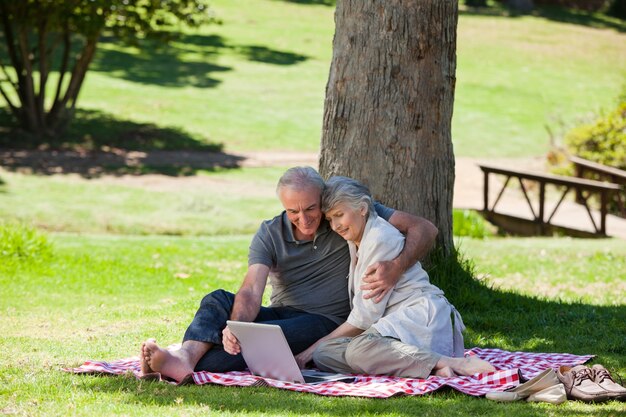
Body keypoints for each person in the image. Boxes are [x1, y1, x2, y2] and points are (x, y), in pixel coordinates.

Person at [140, 166, 438, 382]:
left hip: (325, 322)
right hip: (282, 312)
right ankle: (184, 358)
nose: (304, 219)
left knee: (236, 354)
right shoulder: (270, 233)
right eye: (293, 211)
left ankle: (179, 361)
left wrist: (396, 267)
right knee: (218, 299)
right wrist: (237, 325)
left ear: (323, 201)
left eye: (311, 208)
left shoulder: (345, 214)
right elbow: (251, 291)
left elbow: (425, 228)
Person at [294, 176, 495, 378]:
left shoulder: (379, 238)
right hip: (390, 329)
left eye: (339, 215)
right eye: (330, 219)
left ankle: (452, 363)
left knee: (357, 350)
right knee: (324, 354)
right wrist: (316, 350)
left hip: (420, 316)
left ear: (362, 208)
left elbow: (365, 318)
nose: (335, 225)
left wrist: (307, 352)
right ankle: (430, 366)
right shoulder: (356, 239)